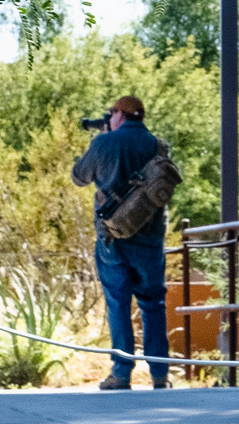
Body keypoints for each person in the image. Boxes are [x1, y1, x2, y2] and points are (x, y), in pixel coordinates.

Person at [73, 94, 172, 390]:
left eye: (111, 113)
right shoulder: (156, 145)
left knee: (118, 302)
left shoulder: (105, 143)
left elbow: (79, 176)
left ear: (119, 114)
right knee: (153, 303)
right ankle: (159, 374)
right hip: (150, 239)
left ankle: (121, 372)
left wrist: (103, 139)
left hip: (113, 237)